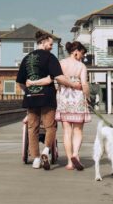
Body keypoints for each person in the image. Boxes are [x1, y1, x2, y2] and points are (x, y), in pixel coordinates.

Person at [17, 31, 80, 170]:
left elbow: (21, 82)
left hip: (31, 99)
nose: (52, 47)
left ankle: (36, 159)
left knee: (32, 128)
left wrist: (28, 90)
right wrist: (74, 85)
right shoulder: (50, 57)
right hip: (47, 97)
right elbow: (59, 77)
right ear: (43, 42)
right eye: (50, 44)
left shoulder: (26, 58)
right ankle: (46, 150)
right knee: (50, 126)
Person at [54, 41, 91, 171]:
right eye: (82, 53)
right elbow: (84, 84)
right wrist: (88, 97)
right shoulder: (81, 66)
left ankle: (70, 162)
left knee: (67, 131)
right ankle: (76, 154)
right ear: (76, 51)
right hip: (78, 99)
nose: (82, 57)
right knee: (78, 130)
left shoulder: (61, 63)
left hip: (64, 97)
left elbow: (57, 79)